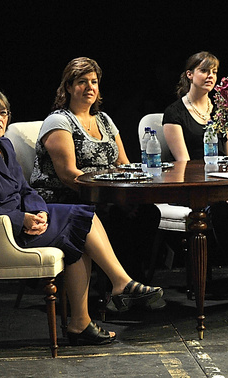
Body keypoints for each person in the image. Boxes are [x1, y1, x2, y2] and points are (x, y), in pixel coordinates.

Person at [0, 86, 163, 346]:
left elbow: (25, 188)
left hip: (24, 218)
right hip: (3, 230)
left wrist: (38, 209)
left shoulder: (4, 145)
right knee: (80, 220)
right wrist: (21, 219)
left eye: (3, 113)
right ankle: (119, 285)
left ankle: (82, 322)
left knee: (80, 227)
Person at [31, 57, 160, 284]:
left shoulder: (104, 119)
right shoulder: (59, 121)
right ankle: (118, 287)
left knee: (148, 213)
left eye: (94, 81)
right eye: (82, 82)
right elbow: (69, 175)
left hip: (107, 195)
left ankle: (133, 282)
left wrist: (128, 196)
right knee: (114, 218)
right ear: (68, 87)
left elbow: (123, 163)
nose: (89, 87)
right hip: (69, 197)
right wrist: (112, 199)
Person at [163, 51, 228, 302]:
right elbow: (183, 163)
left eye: (214, 72)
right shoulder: (174, 113)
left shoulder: (223, 109)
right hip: (192, 186)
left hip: (224, 182)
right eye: (204, 70)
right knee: (220, 209)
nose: (210, 76)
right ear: (190, 75)